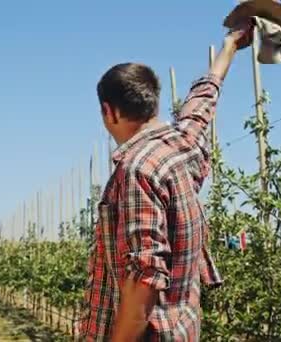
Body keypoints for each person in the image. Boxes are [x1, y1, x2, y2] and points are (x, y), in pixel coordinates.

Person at [75, 22, 254, 341]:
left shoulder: (136, 170)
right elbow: (203, 101)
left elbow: (145, 277)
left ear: (108, 111)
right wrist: (229, 47)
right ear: (153, 103)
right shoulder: (182, 145)